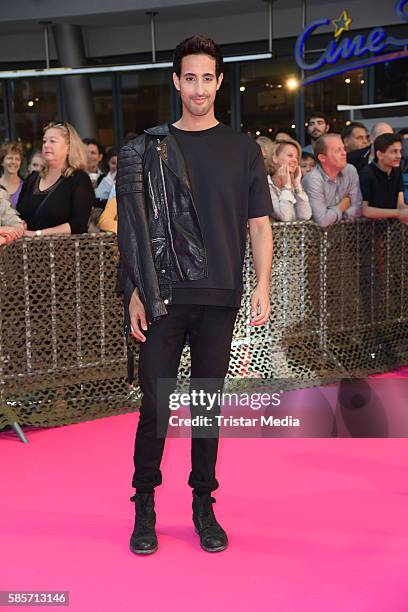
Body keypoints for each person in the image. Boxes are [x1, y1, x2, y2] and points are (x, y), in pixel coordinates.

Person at [117, 34, 273, 556]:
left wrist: (264, 286)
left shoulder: (243, 148)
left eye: (208, 77)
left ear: (220, 81)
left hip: (221, 294)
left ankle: (203, 505)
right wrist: (135, 291)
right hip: (163, 296)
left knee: (206, 407)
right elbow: (134, 230)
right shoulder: (151, 148)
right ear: (176, 82)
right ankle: (144, 505)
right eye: (190, 78)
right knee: (154, 408)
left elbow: (259, 224)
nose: (199, 88)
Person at [17, 122, 95, 236]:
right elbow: (19, 214)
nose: (46, 145)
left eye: (52, 141)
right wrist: (19, 224)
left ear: (69, 148)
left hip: (63, 251)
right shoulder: (32, 178)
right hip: (27, 250)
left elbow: (78, 224)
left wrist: (38, 234)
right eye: (44, 141)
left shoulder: (79, 179)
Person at [302, 133, 362, 227]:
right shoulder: (312, 179)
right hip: (317, 238)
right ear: (322, 157)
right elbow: (322, 221)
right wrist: (342, 206)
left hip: (346, 235)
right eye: (338, 150)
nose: (344, 153)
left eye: (343, 149)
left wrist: (340, 216)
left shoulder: (350, 170)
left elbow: (358, 206)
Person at [360, 133, 408, 223]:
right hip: (368, 228)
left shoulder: (397, 171)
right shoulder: (367, 173)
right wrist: (398, 213)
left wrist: (403, 211)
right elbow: (365, 210)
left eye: (400, 151)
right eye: (394, 151)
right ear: (379, 155)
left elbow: (400, 204)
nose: (399, 156)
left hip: (392, 228)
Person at [268, 139, 311, 221]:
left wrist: (297, 184)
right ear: (275, 158)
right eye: (290, 155)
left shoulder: (294, 186)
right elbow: (285, 217)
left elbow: (305, 216)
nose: (295, 160)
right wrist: (286, 187)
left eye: (297, 157)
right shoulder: (265, 186)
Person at [0, 141, 24, 208]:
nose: (13, 162)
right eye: (10, 158)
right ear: (2, 162)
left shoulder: (26, 187)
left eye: (17, 159)